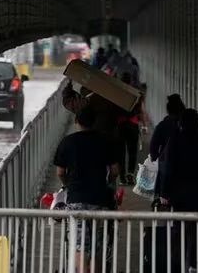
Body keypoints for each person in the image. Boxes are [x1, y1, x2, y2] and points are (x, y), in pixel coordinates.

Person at [54, 105, 120, 270]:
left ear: (76, 121)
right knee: (97, 245)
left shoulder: (68, 142)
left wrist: (68, 184)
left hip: (76, 199)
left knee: (79, 244)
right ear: (94, 121)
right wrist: (108, 182)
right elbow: (115, 171)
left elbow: (60, 172)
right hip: (100, 199)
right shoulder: (105, 140)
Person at [159, 108, 198, 270]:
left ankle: (178, 263)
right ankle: (193, 263)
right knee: (195, 227)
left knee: (179, 226)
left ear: (181, 124)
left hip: (179, 194)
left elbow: (168, 168)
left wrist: (164, 192)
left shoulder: (175, 141)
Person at [149, 93, 186, 196]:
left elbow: (153, 145)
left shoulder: (163, 125)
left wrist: (155, 157)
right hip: (185, 168)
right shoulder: (187, 126)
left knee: (164, 194)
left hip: (166, 166)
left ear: (168, 110)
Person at [117, 76, 148, 185]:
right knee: (132, 151)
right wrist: (144, 126)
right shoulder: (135, 94)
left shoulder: (116, 94)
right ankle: (130, 174)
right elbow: (141, 111)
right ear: (130, 82)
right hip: (132, 125)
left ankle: (122, 177)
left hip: (120, 126)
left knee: (120, 152)